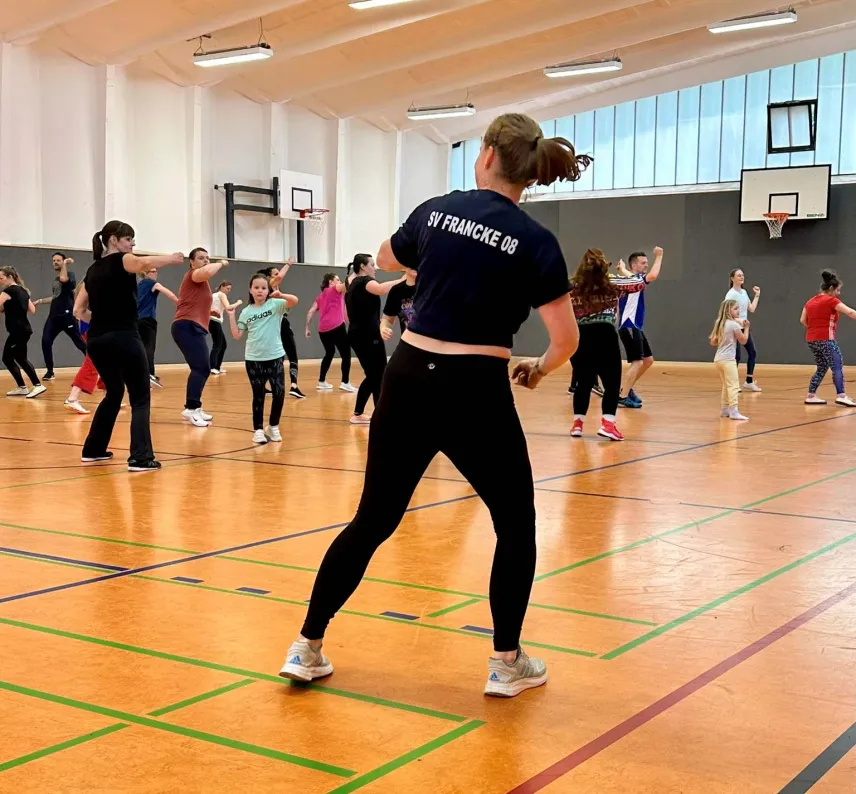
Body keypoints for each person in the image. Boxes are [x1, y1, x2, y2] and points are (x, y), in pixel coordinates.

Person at [279, 112, 582, 698]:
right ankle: (505, 662)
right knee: (514, 522)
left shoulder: (437, 209)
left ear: (488, 153)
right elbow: (566, 340)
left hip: (410, 376)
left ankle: (307, 647)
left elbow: (384, 257)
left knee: (373, 520)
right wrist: (540, 370)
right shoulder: (538, 243)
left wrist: (432, 262)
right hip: (477, 387)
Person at [74, 220, 184, 471]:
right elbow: (142, 264)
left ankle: (93, 450)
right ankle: (140, 458)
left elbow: (79, 310)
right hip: (124, 336)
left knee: (114, 393)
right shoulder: (123, 260)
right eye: (128, 239)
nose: (132, 244)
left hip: (97, 341)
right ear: (113, 240)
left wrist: (102, 321)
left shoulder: (91, 271)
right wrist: (171, 257)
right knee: (140, 397)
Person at [569, 249, 646, 442]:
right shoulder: (612, 282)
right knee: (612, 383)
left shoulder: (573, 285)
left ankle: (577, 424)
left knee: (583, 383)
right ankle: (607, 424)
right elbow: (640, 283)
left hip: (581, 335)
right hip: (605, 334)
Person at [227, 274, 299, 444]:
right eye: (256, 288)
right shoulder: (246, 312)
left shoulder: (276, 305)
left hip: (275, 356)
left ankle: (273, 426)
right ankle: (258, 429)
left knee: (279, 393)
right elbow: (237, 335)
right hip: (254, 359)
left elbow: (294, 300)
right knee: (258, 395)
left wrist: (281, 295)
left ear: (268, 290)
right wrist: (231, 316)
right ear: (250, 290)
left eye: (264, 288)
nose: (260, 291)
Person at [345, 253, 405, 424]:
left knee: (374, 374)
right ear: (363, 266)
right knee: (378, 374)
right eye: (372, 264)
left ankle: (359, 414)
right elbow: (382, 289)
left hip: (362, 334)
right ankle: (381, 415)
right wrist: (404, 279)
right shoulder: (362, 282)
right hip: (366, 335)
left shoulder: (353, 284)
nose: (375, 268)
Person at [171, 248, 227, 427]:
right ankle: (191, 409)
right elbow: (207, 271)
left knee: (202, 367)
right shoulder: (194, 275)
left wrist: (208, 311)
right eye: (201, 258)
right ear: (192, 262)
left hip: (192, 326)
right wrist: (221, 263)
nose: (206, 261)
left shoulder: (201, 283)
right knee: (201, 367)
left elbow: (192, 301)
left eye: (207, 258)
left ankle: (195, 407)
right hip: (187, 326)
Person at [801, 269, 856, 407]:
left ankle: (811, 395)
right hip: (826, 339)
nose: (839, 293)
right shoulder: (831, 300)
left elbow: (802, 320)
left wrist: (815, 328)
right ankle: (841, 395)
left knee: (822, 366)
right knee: (837, 364)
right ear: (831, 288)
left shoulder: (810, 301)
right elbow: (850, 312)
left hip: (811, 340)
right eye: (838, 290)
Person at [617, 248, 663, 408]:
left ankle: (626, 389)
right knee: (637, 362)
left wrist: (623, 270)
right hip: (629, 326)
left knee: (648, 360)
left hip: (635, 326)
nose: (646, 265)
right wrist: (659, 256)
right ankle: (622, 397)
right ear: (634, 265)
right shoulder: (633, 281)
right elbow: (653, 275)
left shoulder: (631, 279)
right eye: (643, 263)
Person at [34, 253, 87, 381]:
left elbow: (64, 279)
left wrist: (65, 264)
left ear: (63, 262)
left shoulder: (69, 276)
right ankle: (50, 371)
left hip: (67, 316)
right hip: (54, 317)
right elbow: (56, 296)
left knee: (80, 343)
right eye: (54, 260)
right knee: (46, 341)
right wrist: (40, 301)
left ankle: (99, 367)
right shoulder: (56, 279)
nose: (55, 262)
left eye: (58, 260)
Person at [0, 267, 46, 398]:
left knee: (15, 358)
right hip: (23, 329)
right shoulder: (24, 291)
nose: (0, 281)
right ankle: (22, 387)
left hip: (18, 330)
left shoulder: (8, 291)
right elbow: (32, 310)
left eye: (1, 278)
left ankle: (37, 385)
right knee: (10, 358)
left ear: (10, 276)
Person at [305, 273, 355, 392]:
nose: (339, 281)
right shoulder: (334, 289)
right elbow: (347, 283)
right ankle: (345, 382)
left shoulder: (320, 296)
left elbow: (311, 311)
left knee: (329, 352)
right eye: (337, 279)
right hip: (336, 327)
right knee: (346, 354)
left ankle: (321, 382)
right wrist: (355, 272)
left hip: (323, 330)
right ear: (331, 282)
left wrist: (307, 327)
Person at [266, 259, 305, 399]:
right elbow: (280, 277)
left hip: (279, 323)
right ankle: (293, 385)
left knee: (279, 356)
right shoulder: (269, 286)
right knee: (289, 354)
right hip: (279, 324)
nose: (278, 276)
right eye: (274, 274)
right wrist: (288, 263)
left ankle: (272, 385)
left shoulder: (276, 290)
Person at [137, 267, 178, 388]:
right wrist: (179, 303)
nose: (156, 274)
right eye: (153, 271)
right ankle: (149, 375)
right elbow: (168, 293)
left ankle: (143, 375)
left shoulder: (139, 285)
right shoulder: (152, 283)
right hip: (148, 320)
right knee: (149, 347)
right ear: (146, 273)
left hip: (137, 320)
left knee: (142, 348)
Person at [710, 299, 749, 421]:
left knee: (726, 385)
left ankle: (724, 409)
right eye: (735, 308)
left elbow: (713, 341)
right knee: (733, 385)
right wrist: (746, 328)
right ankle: (734, 411)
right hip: (728, 360)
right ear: (728, 310)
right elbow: (743, 340)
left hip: (718, 359)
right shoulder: (734, 325)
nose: (738, 310)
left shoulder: (719, 323)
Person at [725, 269, 761, 392]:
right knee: (736, 357)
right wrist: (739, 321)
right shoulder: (730, 294)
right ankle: (733, 384)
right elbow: (728, 313)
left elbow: (751, 309)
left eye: (742, 275)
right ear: (732, 278)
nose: (741, 277)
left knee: (752, 353)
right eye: (739, 275)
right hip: (734, 327)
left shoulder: (744, 292)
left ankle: (749, 382)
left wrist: (757, 295)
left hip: (744, 327)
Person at [209, 281, 240, 376]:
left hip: (212, 321)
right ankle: (212, 367)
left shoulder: (214, 295)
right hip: (214, 320)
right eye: (227, 288)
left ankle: (217, 366)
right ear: (222, 287)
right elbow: (229, 307)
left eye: (230, 289)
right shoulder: (221, 294)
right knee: (218, 344)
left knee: (223, 344)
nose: (229, 291)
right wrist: (238, 303)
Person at [380, 267, 417, 340]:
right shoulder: (397, 290)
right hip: (409, 343)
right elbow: (387, 319)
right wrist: (384, 328)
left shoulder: (434, 287)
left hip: (435, 345)